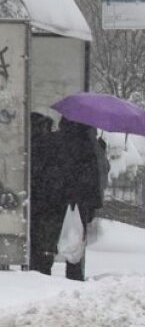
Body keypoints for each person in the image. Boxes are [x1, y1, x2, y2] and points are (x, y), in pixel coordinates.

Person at [52, 117, 108, 281]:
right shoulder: (89, 145)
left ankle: (43, 270)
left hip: (56, 195)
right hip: (81, 198)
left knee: (51, 233)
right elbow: (96, 174)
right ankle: (74, 273)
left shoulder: (57, 141)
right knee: (76, 234)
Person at [28, 112, 64, 274]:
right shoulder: (55, 144)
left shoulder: (31, 144)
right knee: (46, 235)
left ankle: (37, 263)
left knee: (36, 233)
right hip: (50, 197)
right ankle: (44, 264)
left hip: (36, 196)